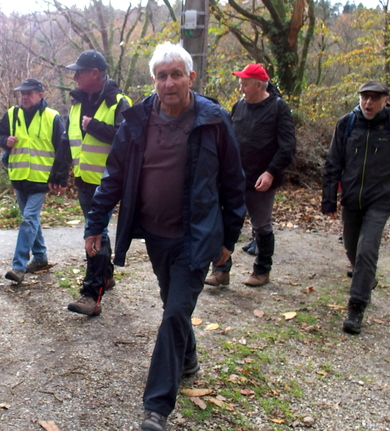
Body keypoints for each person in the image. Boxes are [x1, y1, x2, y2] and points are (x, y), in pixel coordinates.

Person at [84, 42, 246, 431]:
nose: (169, 82)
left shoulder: (214, 120)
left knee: (174, 314)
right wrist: (95, 223)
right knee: (171, 305)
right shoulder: (137, 121)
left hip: (197, 236)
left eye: (176, 74)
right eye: (162, 75)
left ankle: (156, 408)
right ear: (153, 80)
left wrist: (230, 239)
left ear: (191, 78)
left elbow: (233, 182)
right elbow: (114, 176)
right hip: (156, 235)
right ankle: (187, 359)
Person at [322, 80, 390, 335]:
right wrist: (329, 200)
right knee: (352, 248)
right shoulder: (347, 123)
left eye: (375, 98)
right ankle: (366, 278)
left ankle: (356, 306)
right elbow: (333, 163)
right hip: (351, 199)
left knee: (367, 250)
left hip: (380, 200)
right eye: (365, 97)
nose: (368, 102)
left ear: (386, 100)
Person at [204, 63, 296, 288]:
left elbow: (288, 146)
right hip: (234, 178)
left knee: (261, 226)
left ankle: (262, 270)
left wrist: (271, 172)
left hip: (261, 180)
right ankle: (220, 270)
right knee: (224, 222)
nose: (241, 88)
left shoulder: (278, 107)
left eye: (244, 84)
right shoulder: (238, 106)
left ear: (258, 84)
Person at [63, 50, 132, 316]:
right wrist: (60, 175)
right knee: (97, 232)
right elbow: (65, 141)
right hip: (83, 180)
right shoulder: (77, 103)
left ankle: (91, 295)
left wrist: (95, 127)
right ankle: (106, 276)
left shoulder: (119, 102)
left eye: (79, 71)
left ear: (95, 73)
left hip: (107, 184)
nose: (76, 76)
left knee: (96, 235)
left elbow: (129, 140)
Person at [0, 78, 69, 284]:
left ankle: (18, 267)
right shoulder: (12, 114)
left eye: (29, 93)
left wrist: (61, 179)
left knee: (28, 219)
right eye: (22, 93)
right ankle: (40, 257)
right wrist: (5, 141)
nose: (24, 97)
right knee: (31, 220)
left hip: (41, 180)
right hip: (19, 178)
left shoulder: (52, 117)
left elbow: (63, 151)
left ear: (40, 95)